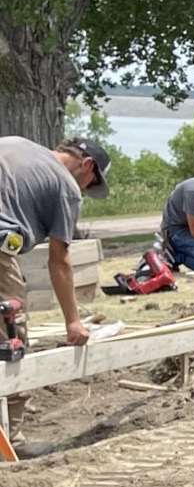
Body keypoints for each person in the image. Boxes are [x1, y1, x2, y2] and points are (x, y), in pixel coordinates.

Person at [0, 135, 110, 346]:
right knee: (10, 322)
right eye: (92, 183)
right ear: (88, 164)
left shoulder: (16, 143)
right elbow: (59, 260)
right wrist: (73, 321)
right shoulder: (66, 187)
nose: (86, 190)